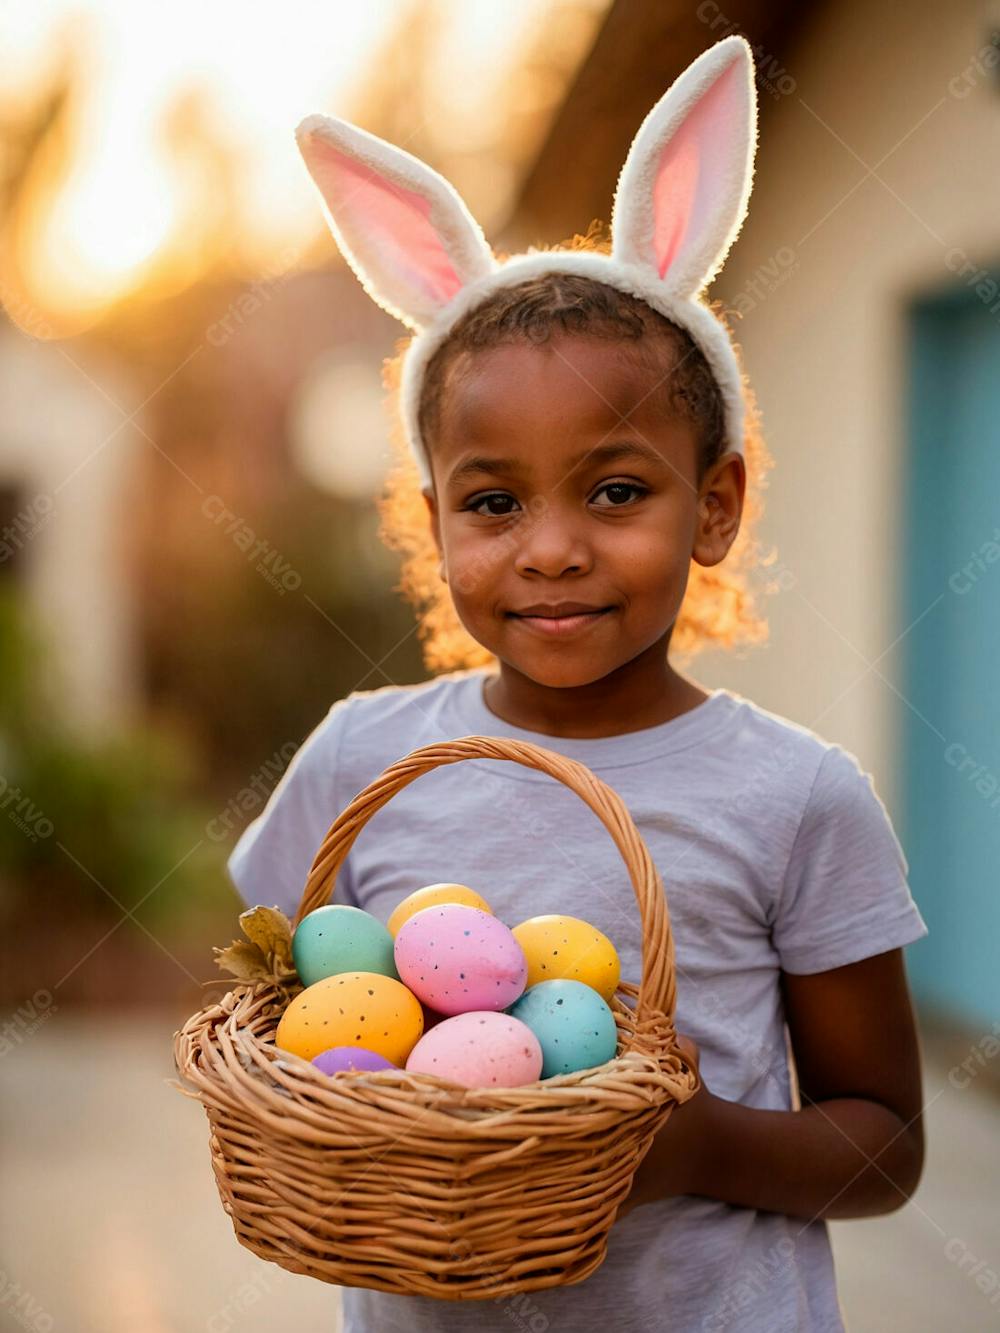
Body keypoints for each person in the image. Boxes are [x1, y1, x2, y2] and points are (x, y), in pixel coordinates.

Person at [228, 36, 928, 1333]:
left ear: (713, 506)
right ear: (432, 523)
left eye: (616, 490)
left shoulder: (797, 793)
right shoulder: (359, 759)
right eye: (493, 501)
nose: (550, 545)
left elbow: (885, 1144)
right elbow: (285, 997)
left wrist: (693, 1143)